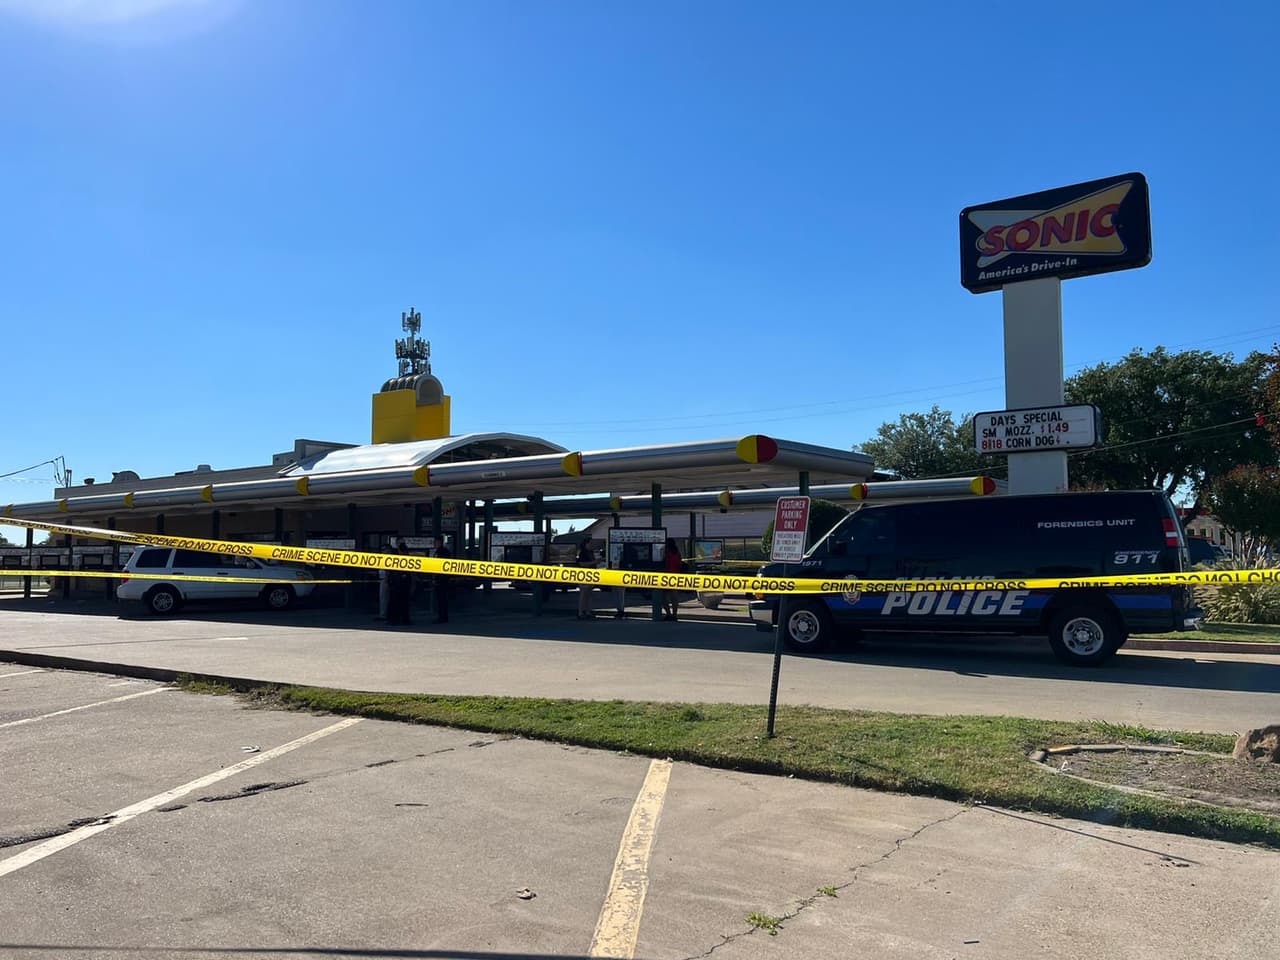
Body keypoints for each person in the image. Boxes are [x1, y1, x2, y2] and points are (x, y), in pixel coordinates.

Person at [387, 539, 413, 626]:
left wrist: (390, 582)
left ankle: (394, 619)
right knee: (404, 603)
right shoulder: (409, 559)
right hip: (404, 584)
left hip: (396, 584)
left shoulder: (396, 558)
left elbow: (391, 572)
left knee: (395, 602)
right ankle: (404, 619)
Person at [431, 535, 452, 624]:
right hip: (444, 578)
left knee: (441, 599)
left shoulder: (441, 552)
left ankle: (442, 617)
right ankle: (443, 616)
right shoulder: (445, 551)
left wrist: (436, 578)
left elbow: (439, 566)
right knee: (442, 599)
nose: (434, 544)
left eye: (435, 542)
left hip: (441, 579)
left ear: (439, 542)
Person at [575, 534, 596, 620]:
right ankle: (580, 612)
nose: (591, 545)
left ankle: (588, 612)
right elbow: (582, 564)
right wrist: (594, 562)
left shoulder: (591, 552)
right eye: (590, 543)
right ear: (586, 544)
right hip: (583, 575)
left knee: (589, 595)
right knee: (583, 594)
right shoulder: (582, 553)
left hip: (591, 575)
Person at [662, 538, 683, 621]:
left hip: (667, 577)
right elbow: (680, 564)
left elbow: (666, 565)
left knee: (664, 597)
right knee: (674, 597)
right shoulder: (677, 553)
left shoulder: (667, 553)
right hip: (676, 577)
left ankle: (668, 614)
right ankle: (675, 615)